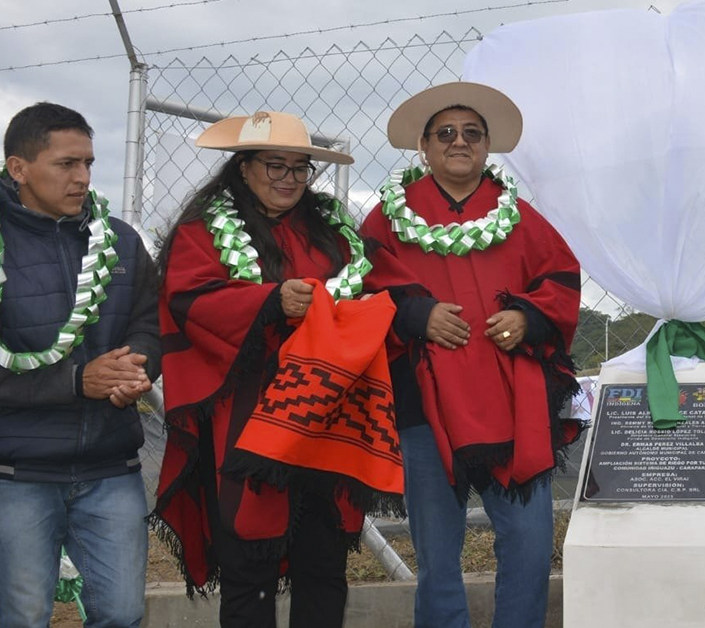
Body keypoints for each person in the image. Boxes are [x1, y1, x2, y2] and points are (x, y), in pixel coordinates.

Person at [151, 111, 389, 628]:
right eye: (274, 166)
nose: (288, 179)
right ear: (243, 167)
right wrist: (271, 301)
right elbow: (190, 300)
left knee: (323, 563)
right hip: (248, 417)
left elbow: (367, 293)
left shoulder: (332, 231)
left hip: (326, 415)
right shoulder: (202, 230)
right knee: (248, 565)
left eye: (300, 168)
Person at [361, 82, 583, 628]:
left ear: (486, 146)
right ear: (425, 147)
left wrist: (526, 318)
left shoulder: (520, 216)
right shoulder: (388, 219)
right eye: (447, 133)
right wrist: (418, 316)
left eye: (472, 134)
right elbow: (361, 289)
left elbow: (561, 279)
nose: (460, 142)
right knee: (437, 554)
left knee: (529, 544)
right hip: (426, 405)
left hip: (514, 405)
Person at [0, 102, 158, 628]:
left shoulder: (121, 240)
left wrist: (136, 370)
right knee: (26, 616)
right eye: (66, 164)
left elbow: (149, 321)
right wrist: (78, 380)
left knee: (124, 614)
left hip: (111, 466)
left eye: (89, 163)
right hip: (16, 472)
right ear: (19, 168)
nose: (83, 177)